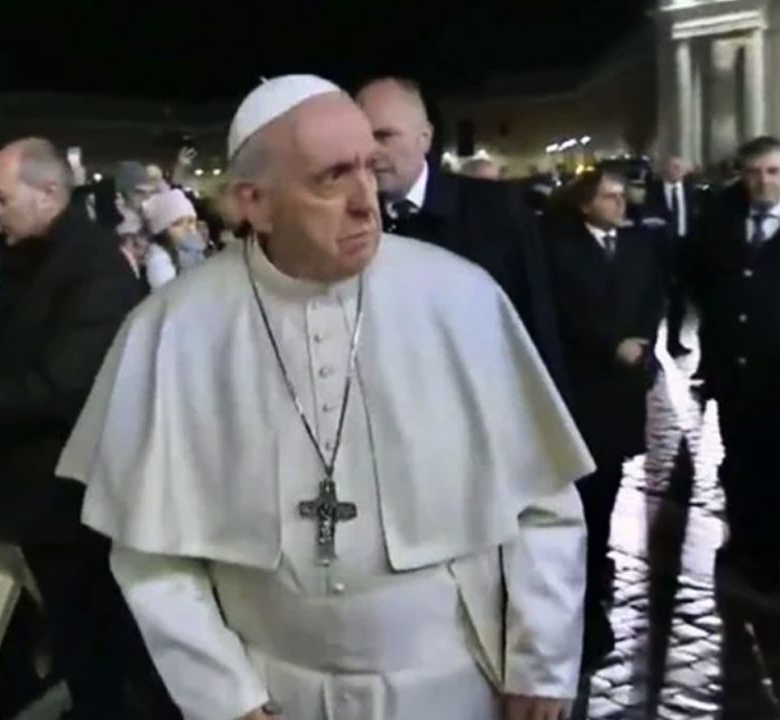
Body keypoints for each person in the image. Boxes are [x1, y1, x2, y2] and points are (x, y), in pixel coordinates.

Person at [59, 75, 590, 720]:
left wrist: (541, 664)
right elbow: (149, 553)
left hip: (452, 686)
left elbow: (544, 504)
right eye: (331, 178)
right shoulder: (173, 330)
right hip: (272, 691)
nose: (368, 202)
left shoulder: (462, 298)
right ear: (254, 202)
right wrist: (225, 698)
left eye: (369, 167)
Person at [0, 138, 177, 719]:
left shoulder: (95, 267)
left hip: (81, 501)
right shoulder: (18, 257)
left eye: (2, 198)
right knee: (81, 652)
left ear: (50, 193)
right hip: (44, 500)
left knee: (110, 654)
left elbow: (61, 386)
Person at [356, 77, 565, 388]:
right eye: (362, 137)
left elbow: (537, 323)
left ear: (424, 138)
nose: (371, 151)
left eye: (384, 135)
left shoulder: (498, 211)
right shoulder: (349, 221)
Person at [542, 169, 665, 670]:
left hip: (624, 389)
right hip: (582, 385)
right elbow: (562, 311)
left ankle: (596, 567)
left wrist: (644, 342)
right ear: (585, 204)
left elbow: (653, 296)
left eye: (622, 196)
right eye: (610, 197)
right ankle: (581, 588)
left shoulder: (638, 246)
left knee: (609, 484)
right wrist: (608, 344)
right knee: (581, 492)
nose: (621, 204)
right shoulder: (560, 249)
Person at [683, 136, 780, 597]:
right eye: (754, 172)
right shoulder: (719, 222)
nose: (763, 182)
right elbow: (699, 280)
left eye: (773, 172)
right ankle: (745, 544)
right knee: (739, 463)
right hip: (734, 372)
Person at [647, 156, 704, 357]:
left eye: (679, 168)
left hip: (684, 252)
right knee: (653, 303)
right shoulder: (651, 191)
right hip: (657, 254)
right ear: (664, 169)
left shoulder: (694, 193)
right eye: (672, 167)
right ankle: (649, 347)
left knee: (679, 303)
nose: (675, 171)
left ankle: (674, 343)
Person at [141, 188, 208, 288]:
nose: (188, 228)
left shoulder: (195, 250)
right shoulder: (158, 259)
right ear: (161, 230)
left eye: (191, 221)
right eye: (178, 223)